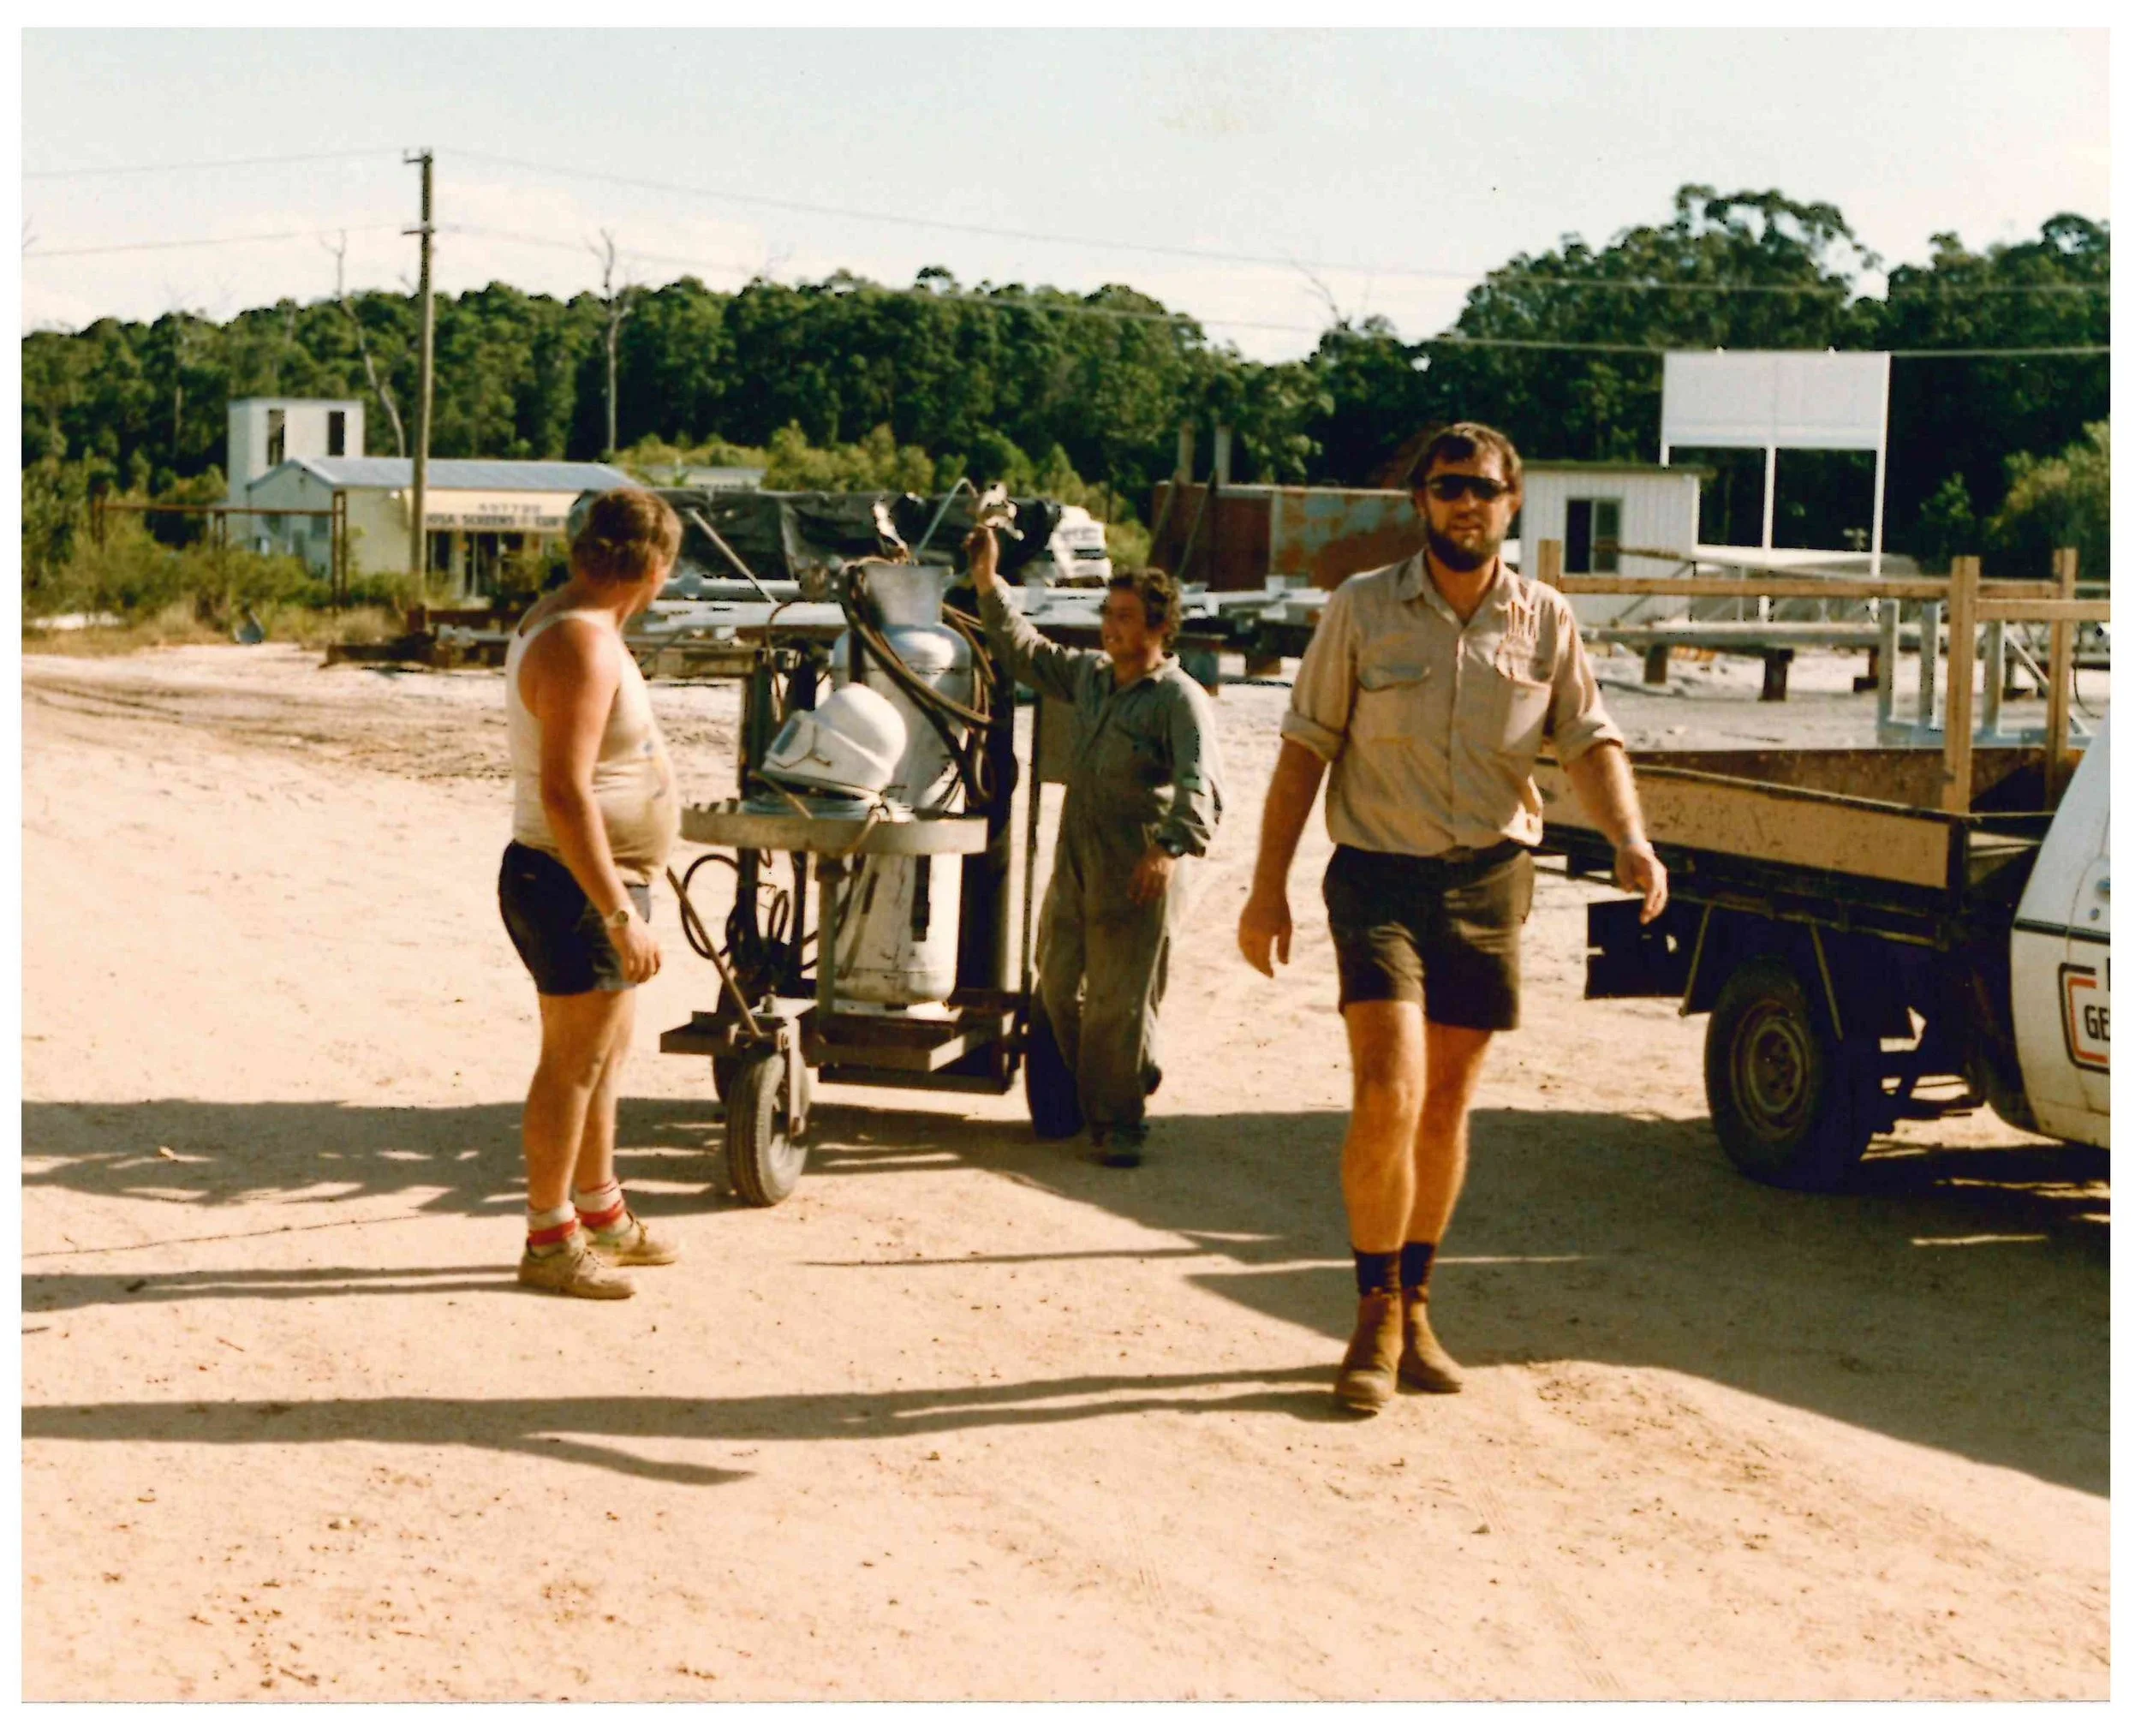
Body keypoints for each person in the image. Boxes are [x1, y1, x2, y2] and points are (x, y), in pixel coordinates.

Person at [1236, 422, 1667, 1411]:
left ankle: (1417, 1301)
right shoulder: (1360, 610)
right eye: (1446, 487)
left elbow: (1589, 739)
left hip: (1486, 880)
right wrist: (1267, 886)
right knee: (1388, 1089)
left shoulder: (1544, 619)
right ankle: (1371, 1311)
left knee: (1443, 1108)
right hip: (1378, 879)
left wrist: (1630, 838)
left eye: (1483, 488)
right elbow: (1304, 748)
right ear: (1420, 503)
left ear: (1513, 502)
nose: (1465, 503)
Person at [967, 526, 1222, 1166]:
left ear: (1160, 628)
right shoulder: (1090, 679)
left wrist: (1166, 850)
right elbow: (1027, 652)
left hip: (1136, 860)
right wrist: (987, 584)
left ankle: (1120, 1120)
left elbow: (1201, 783)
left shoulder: (1178, 700)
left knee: (1120, 999)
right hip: (1077, 852)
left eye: (1126, 618)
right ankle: (1123, 1076)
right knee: (1056, 985)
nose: (1111, 628)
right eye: (1108, 615)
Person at [498, 488, 686, 1299]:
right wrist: (615, 910)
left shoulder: (578, 619)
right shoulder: (580, 641)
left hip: (581, 876)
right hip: (574, 884)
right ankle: (548, 1239)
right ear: (653, 568)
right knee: (572, 1064)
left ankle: (599, 1209)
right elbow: (567, 793)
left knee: (601, 1055)